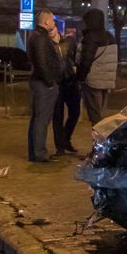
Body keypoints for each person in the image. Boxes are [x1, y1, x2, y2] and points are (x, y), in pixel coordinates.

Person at [27, 11, 63, 163]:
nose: (54, 24)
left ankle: (35, 152)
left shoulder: (36, 36)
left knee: (37, 119)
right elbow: (42, 63)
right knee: (42, 120)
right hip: (44, 83)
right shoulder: (41, 38)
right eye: (53, 21)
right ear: (47, 22)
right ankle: (40, 153)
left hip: (40, 82)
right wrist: (50, 82)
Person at [77, 8, 118, 126]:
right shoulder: (110, 36)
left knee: (95, 117)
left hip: (93, 80)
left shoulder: (91, 37)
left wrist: (80, 77)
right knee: (102, 115)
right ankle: (102, 141)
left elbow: (86, 61)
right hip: (107, 81)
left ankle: (99, 142)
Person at [52, 26, 81, 156]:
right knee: (57, 116)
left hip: (70, 81)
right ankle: (60, 146)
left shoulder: (69, 43)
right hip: (56, 83)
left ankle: (65, 139)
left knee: (75, 113)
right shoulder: (48, 46)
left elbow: (75, 59)